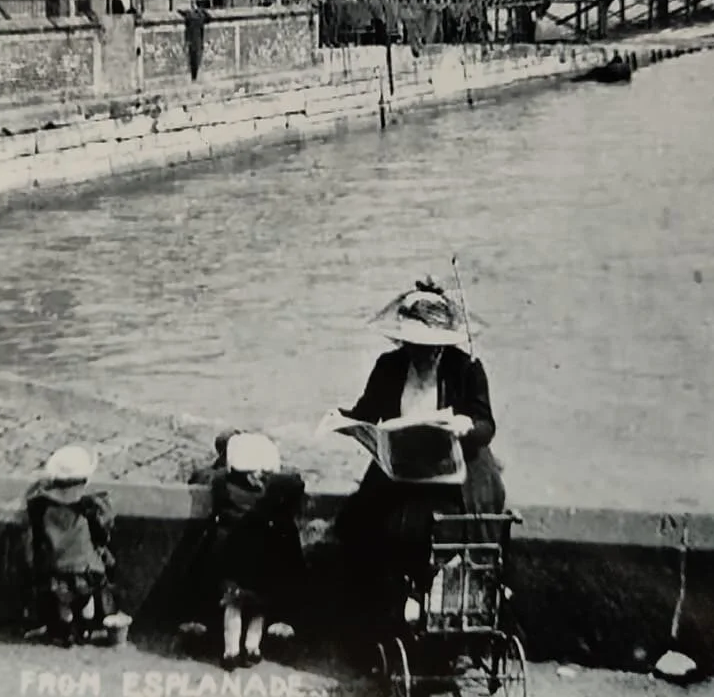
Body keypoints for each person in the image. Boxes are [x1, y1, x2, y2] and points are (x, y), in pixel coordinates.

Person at [330, 278, 506, 629]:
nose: (424, 355)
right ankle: (386, 617)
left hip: (458, 470)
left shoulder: (466, 368)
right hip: (405, 469)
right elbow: (368, 410)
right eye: (416, 346)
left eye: (432, 348)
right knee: (360, 524)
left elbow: (486, 423)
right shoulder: (389, 366)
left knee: (446, 530)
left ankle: (432, 610)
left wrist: (465, 426)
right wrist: (343, 421)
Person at [192, 432, 306, 670]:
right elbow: (295, 482)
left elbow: (206, 476)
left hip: (231, 564)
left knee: (232, 605)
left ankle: (230, 651)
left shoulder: (224, 488)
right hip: (260, 567)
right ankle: (252, 648)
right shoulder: (272, 495)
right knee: (259, 608)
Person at [24, 444, 130, 646]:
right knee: (86, 601)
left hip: (57, 569)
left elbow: (37, 535)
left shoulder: (43, 507)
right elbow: (102, 531)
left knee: (64, 603)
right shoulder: (88, 507)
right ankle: (85, 632)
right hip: (86, 569)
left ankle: (66, 634)